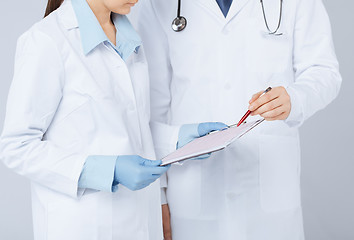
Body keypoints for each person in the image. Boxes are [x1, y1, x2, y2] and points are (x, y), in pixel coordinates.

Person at [135, 0, 342, 239]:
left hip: (269, 196)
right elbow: (152, 110)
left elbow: (324, 71)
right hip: (192, 194)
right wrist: (158, 198)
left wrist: (294, 98)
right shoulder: (158, 4)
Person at [0, 0, 176, 239]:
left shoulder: (128, 36)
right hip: (82, 226)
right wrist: (106, 170)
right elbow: (17, 146)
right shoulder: (47, 40)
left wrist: (180, 137)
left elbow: (132, 129)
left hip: (139, 222)